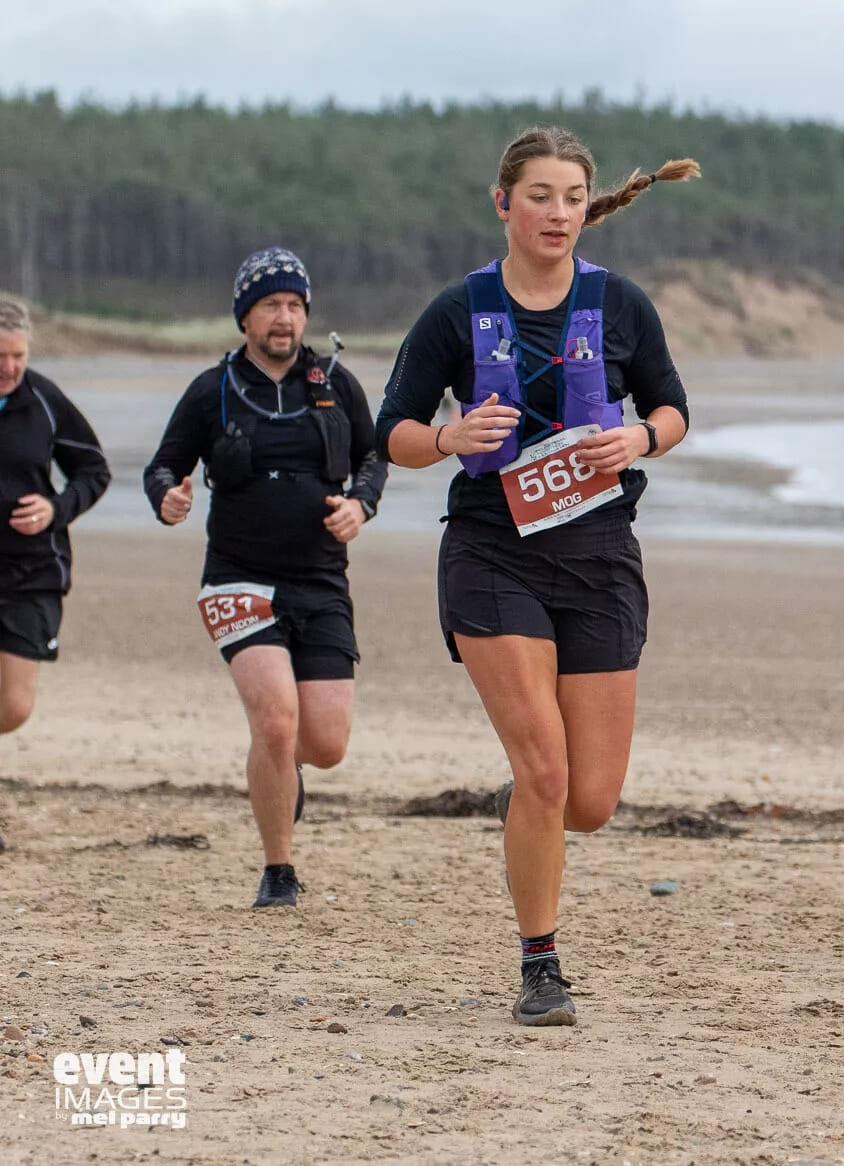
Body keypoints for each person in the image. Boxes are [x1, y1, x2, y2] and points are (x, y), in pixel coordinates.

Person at [376, 126, 695, 1027]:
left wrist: (639, 437)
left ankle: (534, 820)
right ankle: (540, 963)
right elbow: (392, 431)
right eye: (540, 196)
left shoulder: (621, 303)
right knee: (545, 772)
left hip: (599, 557)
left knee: (588, 801)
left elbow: (674, 409)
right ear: (503, 202)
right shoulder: (457, 309)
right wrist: (445, 438)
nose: (557, 213)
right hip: (491, 553)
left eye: (571, 198)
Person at [143, 248, 387, 909]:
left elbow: (373, 458)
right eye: (271, 306)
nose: (285, 319)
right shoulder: (212, 390)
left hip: (320, 580)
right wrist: (168, 497)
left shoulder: (335, 381)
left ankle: (284, 773)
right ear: (245, 316)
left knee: (325, 744)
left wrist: (360, 504)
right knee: (276, 723)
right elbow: (161, 468)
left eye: (294, 306)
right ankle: (279, 869)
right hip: (237, 578)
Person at [0, 294, 112, 848]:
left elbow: (93, 469)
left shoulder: (43, 399)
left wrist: (54, 509)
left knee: (13, 708)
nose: (9, 367)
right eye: (0, 355)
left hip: (32, 572)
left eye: (18, 355)